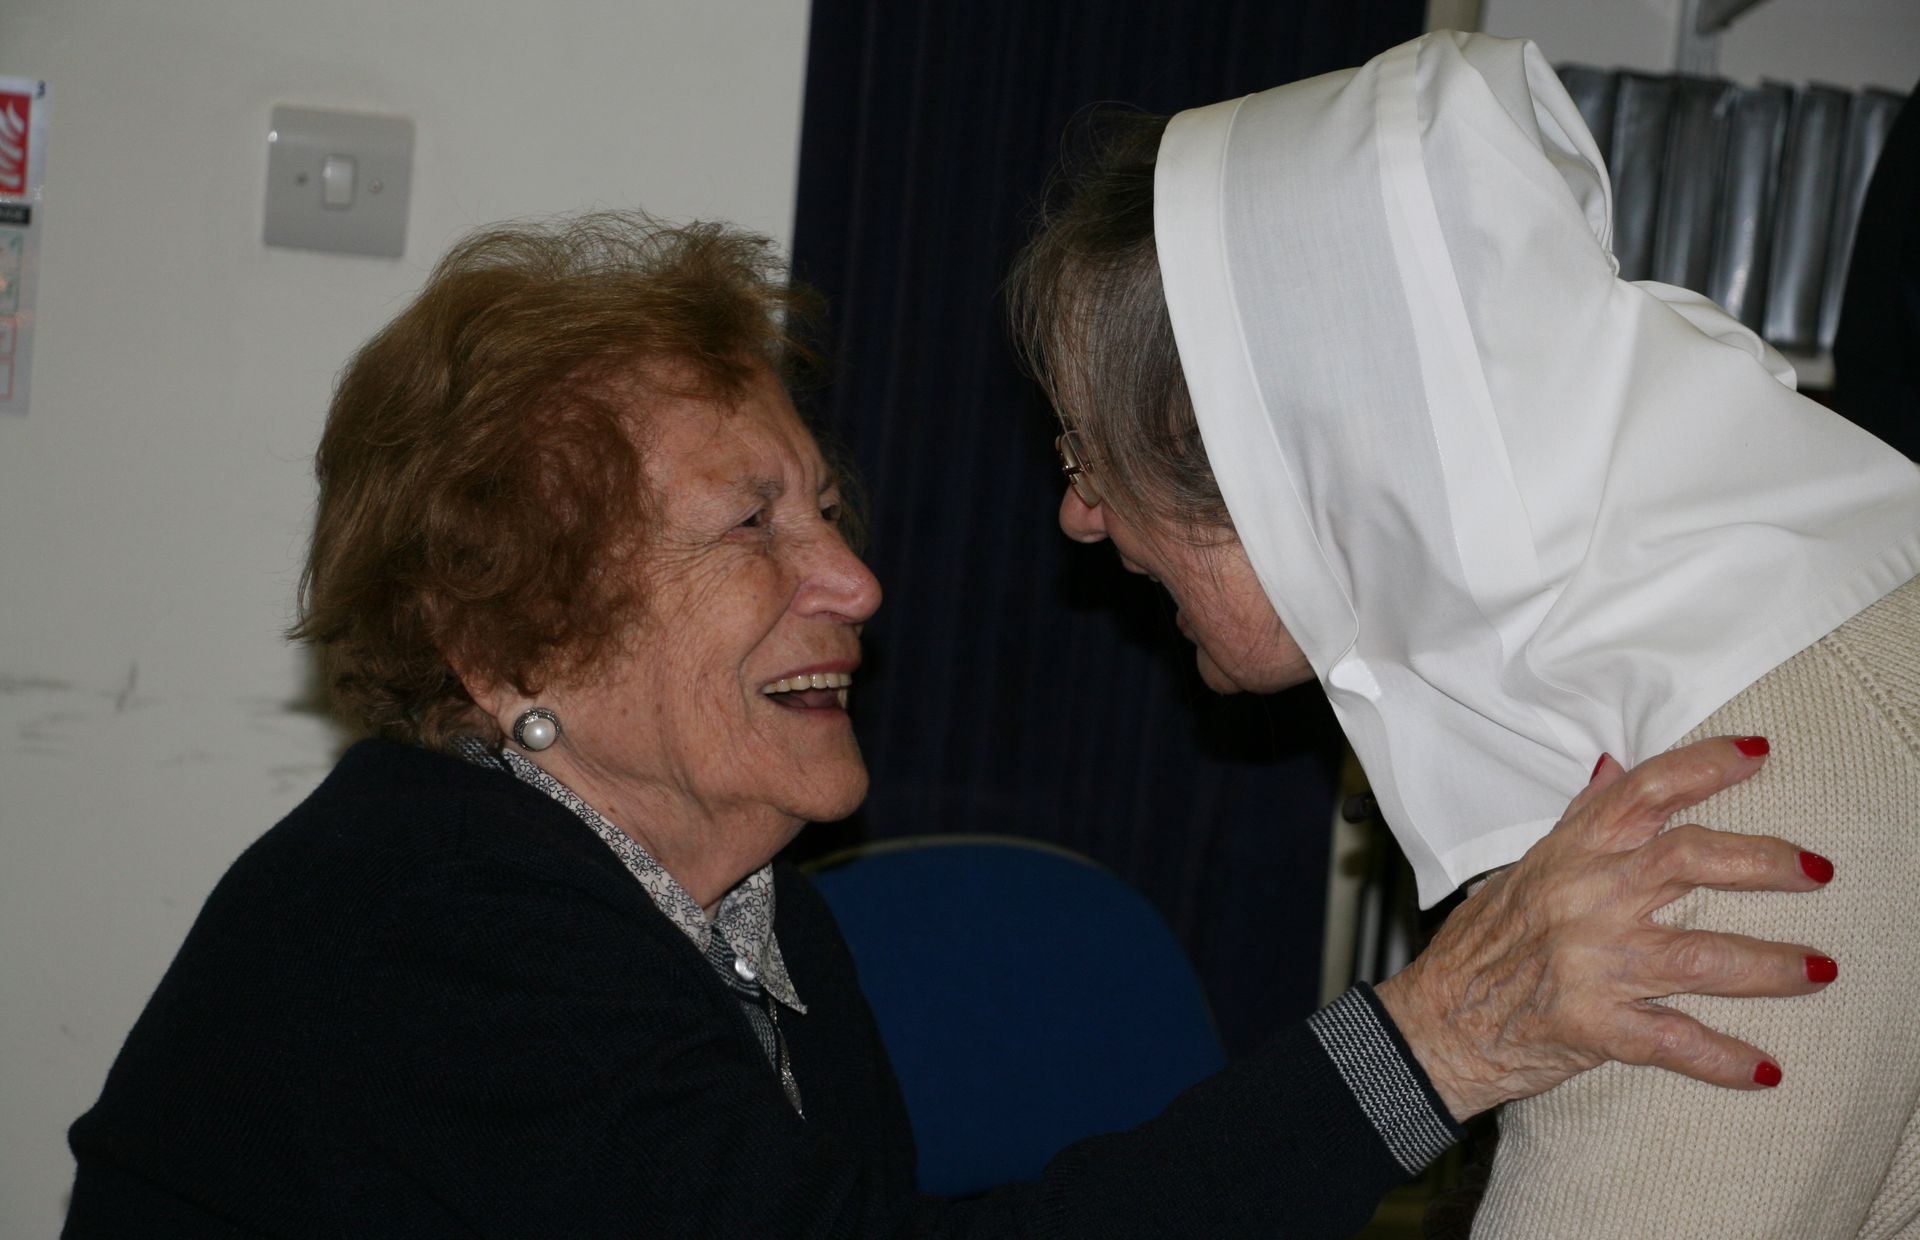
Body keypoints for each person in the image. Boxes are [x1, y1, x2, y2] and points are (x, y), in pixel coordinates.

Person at [65, 213, 1833, 1240]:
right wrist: (1429, 1043)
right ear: (505, 632)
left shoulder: (749, 918)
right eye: (751, 525)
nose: (853, 579)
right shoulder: (426, 926)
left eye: (826, 511)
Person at [1011, 30, 1920, 1240]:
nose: (1077, 515)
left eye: (1085, 450)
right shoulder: (1800, 623)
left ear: (1258, 443)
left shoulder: (1696, 844)